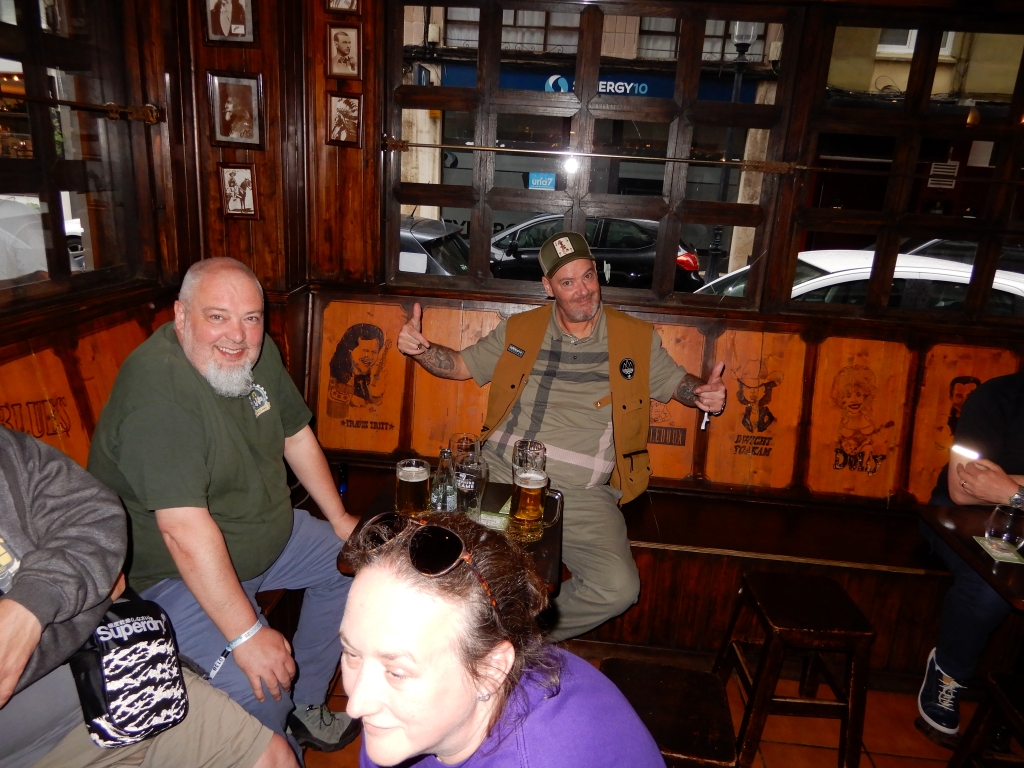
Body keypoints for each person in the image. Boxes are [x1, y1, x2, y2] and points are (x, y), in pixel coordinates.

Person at [88, 257, 362, 754]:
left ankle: (305, 704)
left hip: (266, 535)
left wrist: (341, 520)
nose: (237, 335)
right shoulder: (159, 392)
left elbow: (295, 434)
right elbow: (182, 531)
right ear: (180, 316)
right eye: (217, 317)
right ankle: (278, 745)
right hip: (175, 577)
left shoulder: (256, 354)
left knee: (356, 566)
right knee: (258, 687)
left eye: (251, 318)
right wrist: (247, 634)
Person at [397, 231, 726, 641]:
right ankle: (461, 641)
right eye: (568, 282)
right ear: (548, 287)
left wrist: (702, 393)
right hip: (499, 472)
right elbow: (460, 366)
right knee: (436, 556)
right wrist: (422, 349)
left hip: (580, 490)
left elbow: (678, 383)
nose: (583, 290)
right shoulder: (521, 329)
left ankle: (512, 637)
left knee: (618, 588)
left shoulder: (634, 338)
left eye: (588, 276)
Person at [0, 427, 297, 768]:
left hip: (125, 667)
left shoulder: (8, 448)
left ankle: (310, 708)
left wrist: (30, 607)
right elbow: (172, 536)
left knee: (274, 758)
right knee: (252, 682)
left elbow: (96, 519)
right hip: (37, 745)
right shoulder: (153, 409)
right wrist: (245, 633)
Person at [339, 511, 667, 768]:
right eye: (351, 653)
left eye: (397, 673)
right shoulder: (398, 719)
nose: (355, 705)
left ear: (492, 670)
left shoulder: (533, 758)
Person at [916, 372, 1024, 745]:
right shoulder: (997, 397)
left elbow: (1000, 489)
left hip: (1010, 510)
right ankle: (949, 675)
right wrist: (1011, 495)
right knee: (989, 586)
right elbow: (962, 489)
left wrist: (1012, 491)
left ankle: (1007, 713)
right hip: (965, 517)